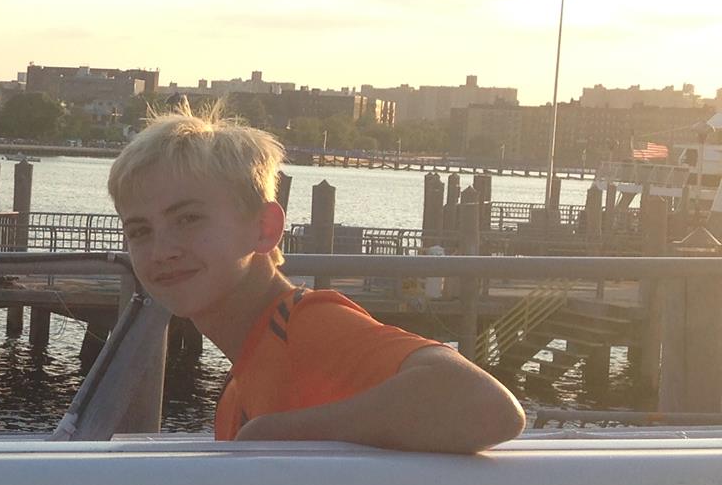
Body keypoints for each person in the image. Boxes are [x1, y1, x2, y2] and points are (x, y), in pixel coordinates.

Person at [109, 104, 524, 452]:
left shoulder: (302, 324)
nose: (162, 250)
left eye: (188, 218)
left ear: (265, 229)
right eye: (140, 230)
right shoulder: (240, 387)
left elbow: (486, 405)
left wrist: (273, 433)